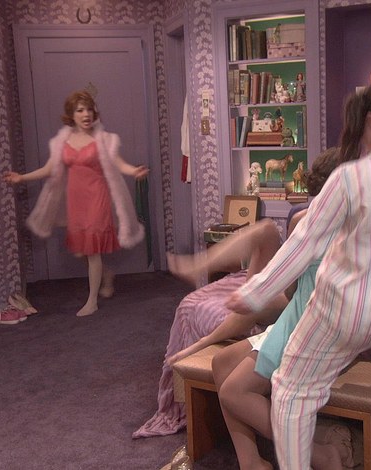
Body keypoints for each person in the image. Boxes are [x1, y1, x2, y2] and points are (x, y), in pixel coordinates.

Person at [225, 83, 371, 470]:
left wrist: (255, 292)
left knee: (292, 389)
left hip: (346, 309)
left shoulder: (350, 179)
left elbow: (303, 244)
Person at [133, 149, 338, 440]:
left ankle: (203, 333)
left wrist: (269, 289)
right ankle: (202, 271)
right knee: (266, 232)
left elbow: (293, 287)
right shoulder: (309, 220)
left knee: (256, 291)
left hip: (308, 305)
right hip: (297, 294)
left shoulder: (323, 223)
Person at [3, 90, 148, 317]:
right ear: (71, 114)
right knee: (83, 250)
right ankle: (106, 274)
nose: (86, 114)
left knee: (92, 250)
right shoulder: (63, 141)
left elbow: (119, 164)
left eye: (89, 109)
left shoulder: (103, 139)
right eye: (80, 110)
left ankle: (92, 301)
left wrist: (134, 171)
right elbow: (49, 169)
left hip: (98, 197)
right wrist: (22, 177)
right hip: (76, 200)